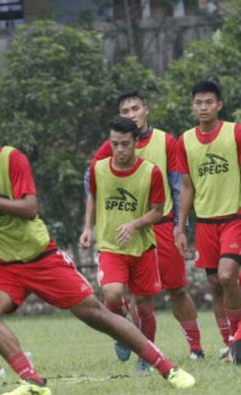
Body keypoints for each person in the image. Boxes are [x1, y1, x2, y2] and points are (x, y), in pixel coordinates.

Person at [0, 108, 195, 395]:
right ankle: (32, 381)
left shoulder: (12, 160)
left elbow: (30, 209)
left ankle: (167, 368)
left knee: (95, 314)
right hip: (0, 265)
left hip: (40, 258)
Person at [85, 91, 206, 360]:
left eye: (135, 109)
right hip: (125, 229)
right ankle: (139, 346)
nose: (131, 115)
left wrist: (179, 226)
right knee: (131, 296)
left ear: (146, 110)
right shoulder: (114, 144)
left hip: (161, 224)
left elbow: (178, 185)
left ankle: (195, 348)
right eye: (125, 111)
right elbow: (91, 180)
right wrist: (95, 222)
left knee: (177, 288)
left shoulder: (166, 141)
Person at [80, 117, 165, 373]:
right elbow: (93, 197)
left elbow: (158, 212)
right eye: (114, 144)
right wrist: (87, 228)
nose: (119, 150)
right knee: (113, 294)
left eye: (125, 144)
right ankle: (121, 331)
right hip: (110, 246)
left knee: (145, 305)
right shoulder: (98, 169)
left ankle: (146, 355)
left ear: (136, 142)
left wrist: (134, 225)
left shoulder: (151, 172)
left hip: (142, 247)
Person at [175, 80, 241, 363]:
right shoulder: (185, 140)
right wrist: (180, 226)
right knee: (215, 284)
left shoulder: (234, 133)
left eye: (209, 102)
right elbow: (187, 186)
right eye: (198, 103)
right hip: (205, 224)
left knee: (227, 276)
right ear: (193, 106)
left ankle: (238, 339)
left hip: (234, 218)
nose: (203, 107)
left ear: (219, 105)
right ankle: (229, 344)